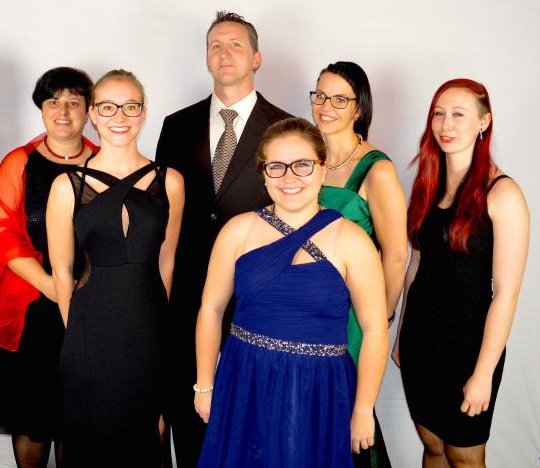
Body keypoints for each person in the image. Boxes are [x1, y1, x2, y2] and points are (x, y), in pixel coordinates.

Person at [194, 117, 389, 467]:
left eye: (302, 165)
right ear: (263, 173)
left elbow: (375, 330)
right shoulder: (237, 231)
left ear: (323, 168)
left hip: (319, 389)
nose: (289, 177)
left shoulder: (352, 240)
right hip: (245, 380)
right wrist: (204, 385)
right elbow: (211, 309)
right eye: (276, 167)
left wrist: (363, 408)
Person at [155, 11, 291, 464]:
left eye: (235, 44)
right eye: (215, 45)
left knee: (253, 419)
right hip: (188, 296)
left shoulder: (285, 128)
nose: (224, 52)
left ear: (257, 58)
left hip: (258, 296)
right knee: (188, 410)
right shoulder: (176, 125)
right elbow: (161, 212)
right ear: (206, 59)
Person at [47, 69, 184, 466]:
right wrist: (77, 333)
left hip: (148, 331)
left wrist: (156, 327)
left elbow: (167, 261)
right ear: (92, 113)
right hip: (88, 332)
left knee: (147, 435)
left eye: (130, 107)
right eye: (107, 107)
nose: (119, 117)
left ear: (144, 112)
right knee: (90, 439)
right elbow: (61, 272)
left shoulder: (170, 181)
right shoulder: (67, 186)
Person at [392, 79, 529, 467]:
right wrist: (401, 335)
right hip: (420, 341)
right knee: (433, 447)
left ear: (483, 122)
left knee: (464, 456)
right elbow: (415, 267)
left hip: (469, 348)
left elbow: (506, 293)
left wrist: (483, 373)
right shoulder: (428, 186)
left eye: (457, 114)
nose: (445, 124)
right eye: (438, 113)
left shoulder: (503, 194)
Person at [0, 67, 98, 467]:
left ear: (89, 111)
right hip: (33, 304)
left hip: (91, 302)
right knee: (32, 415)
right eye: (53, 102)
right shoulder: (19, 163)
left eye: (74, 102)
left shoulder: (104, 161)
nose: (63, 111)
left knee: (80, 414)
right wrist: (47, 283)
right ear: (41, 109)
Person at [311, 61, 407, 467]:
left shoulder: (376, 169)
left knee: (348, 412)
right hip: (308, 312)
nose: (325, 106)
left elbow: (396, 254)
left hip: (351, 316)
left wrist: (378, 319)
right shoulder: (307, 158)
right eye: (320, 95)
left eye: (339, 99)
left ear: (359, 108)